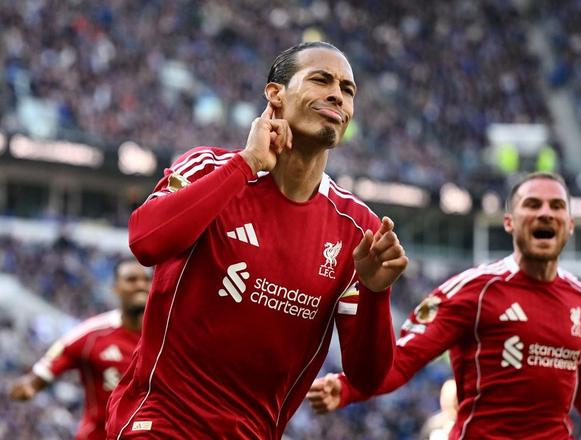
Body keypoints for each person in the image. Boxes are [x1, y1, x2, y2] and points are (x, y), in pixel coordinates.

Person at [106, 41, 408, 439]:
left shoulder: (358, 229)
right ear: (275, 94)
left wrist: (375, 293)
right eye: (321, 80)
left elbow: (367, 376)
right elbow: (146, 242)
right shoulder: (208, 167)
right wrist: (247, 163)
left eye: (347, 89)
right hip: (162, 421)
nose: (338, 94)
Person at [307, 172, 581, 439]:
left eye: (556, 206)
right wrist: (347, 388)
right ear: (509, 221)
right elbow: (404, 358)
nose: (545, 213)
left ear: (570, 224)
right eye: (532, 204)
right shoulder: (473, 291)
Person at [9, 257, 150, 440]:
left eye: (146, 279)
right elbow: (39, 377)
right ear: (115, 288)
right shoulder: (90, 335)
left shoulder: (168, 333)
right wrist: (28, 386)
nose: (141, 285)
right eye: (131, 280)